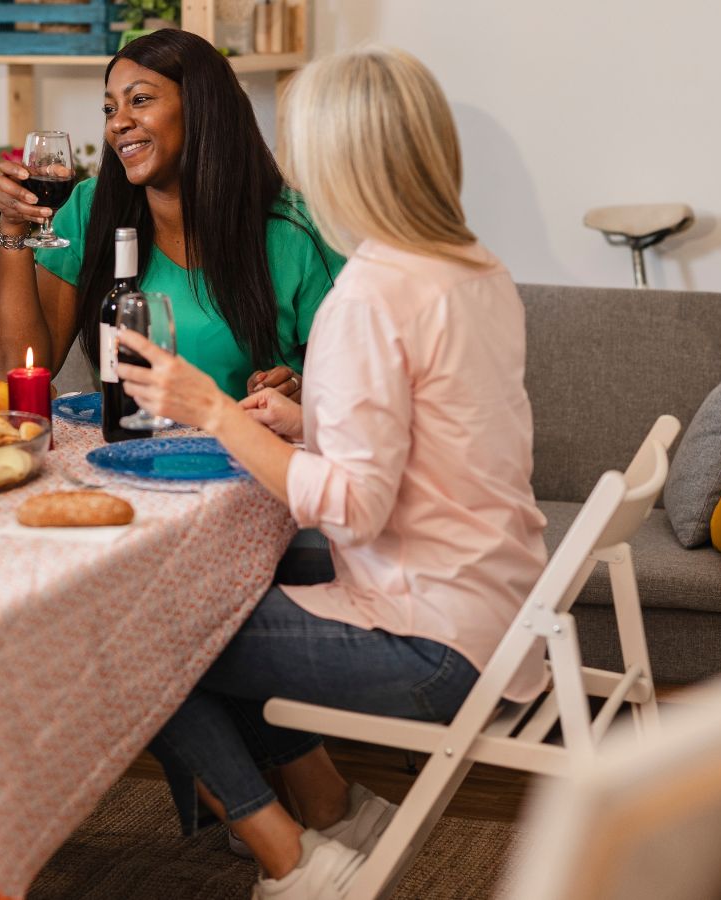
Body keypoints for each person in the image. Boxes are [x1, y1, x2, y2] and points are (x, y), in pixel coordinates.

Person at [113, 48, 549, 899]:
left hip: (436, 647)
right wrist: (311, 421)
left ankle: (294, 858)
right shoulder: (473, 269)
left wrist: (216, 412)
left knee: (134, 633)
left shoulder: (369, 295)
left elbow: (351, 507)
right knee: (243, 570)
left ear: (339, 159)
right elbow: (443, 434)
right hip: (506, 612)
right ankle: (332, 809)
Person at [0, 28, 343, 400]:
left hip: (247, 450)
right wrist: (13, 226)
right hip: (124, 449)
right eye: (110, 109)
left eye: (139, 100)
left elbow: (352, 386)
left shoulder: (297, 228)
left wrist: (297, 388)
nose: (117, 123)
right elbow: (18, 371)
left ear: (201, 106)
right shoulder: (89, 209)